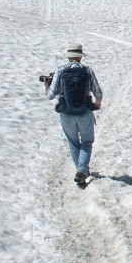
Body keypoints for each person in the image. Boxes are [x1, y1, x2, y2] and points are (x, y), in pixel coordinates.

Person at [45, 42, 103, 187]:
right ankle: (82, 171)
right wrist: (97, 104)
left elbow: (51, 95)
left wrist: (47, 86)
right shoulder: (87, 70)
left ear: (69, 57)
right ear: (80, 57)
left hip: (66, 113)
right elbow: (98, 92)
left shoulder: (60, 70)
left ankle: (81, 172)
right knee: (87, 143)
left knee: (73, 144)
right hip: (85, 112)